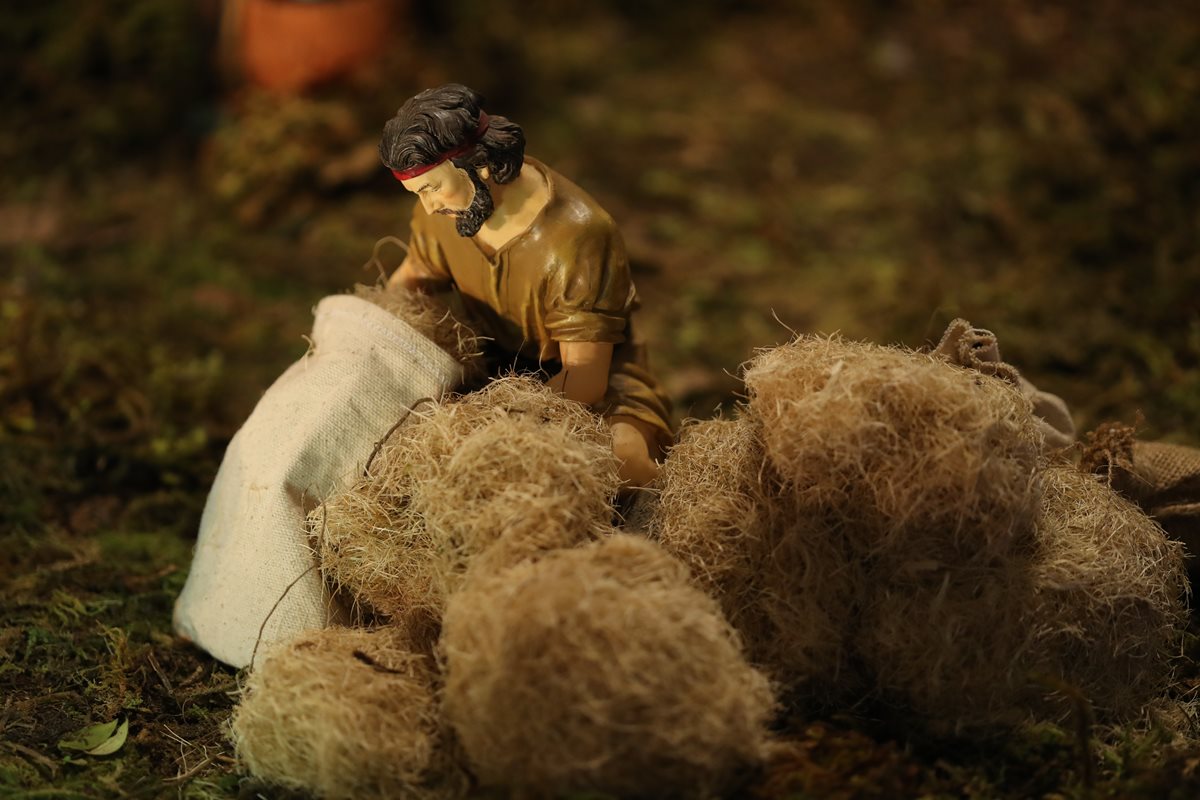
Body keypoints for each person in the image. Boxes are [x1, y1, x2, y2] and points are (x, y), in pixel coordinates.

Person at [379, 84, 673, 487]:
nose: (428, 207)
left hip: (586, 385)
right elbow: (411, 280)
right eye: (417, 193)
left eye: (431, 188)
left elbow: (586, 379)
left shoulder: (577, 237)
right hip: (487, 372)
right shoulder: (445, 213)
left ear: (480, 165)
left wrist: (498, 424)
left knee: (620, 461)